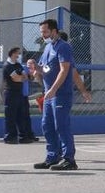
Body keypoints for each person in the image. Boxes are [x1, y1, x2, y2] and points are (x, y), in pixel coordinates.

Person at [29, 19, 78, 171]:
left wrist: (54, 89)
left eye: (45, 32)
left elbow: (64, 70)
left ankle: (69, 159)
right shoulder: (48, 47)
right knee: (47, 125)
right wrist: (36, 67)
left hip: (60, 94)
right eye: (41, 32)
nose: (43, 35)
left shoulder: (63, 47)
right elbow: (46, 69)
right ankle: (52, 157)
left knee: (61, 125)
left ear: (54, 31)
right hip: (49, 94)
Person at [2, 47, 36, 143]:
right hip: (10, 93)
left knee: (21, 115)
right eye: (17, 53)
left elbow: (26, 76)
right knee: (11, 116)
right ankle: (10, 137)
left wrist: (23, 77)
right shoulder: (7, 65)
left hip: (19, 93)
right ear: (12, 53)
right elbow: (16, 78)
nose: (18, 55)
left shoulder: (17, 64)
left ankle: (23, 137)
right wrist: (22, 77)